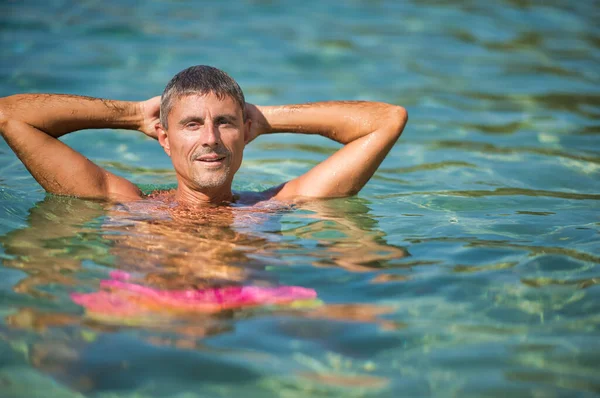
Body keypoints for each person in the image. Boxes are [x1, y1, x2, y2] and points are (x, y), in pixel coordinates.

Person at [0, 65, 407, 206]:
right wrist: (133, 115)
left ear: (245, 132)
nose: (210, 137)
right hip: (143, 316)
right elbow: (10, 116)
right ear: (163, 137)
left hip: (251, 324)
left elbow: (387, 119)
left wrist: (260, 119)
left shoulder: (272, 207)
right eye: (192, 124)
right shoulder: (127, 205)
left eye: (225, 123)